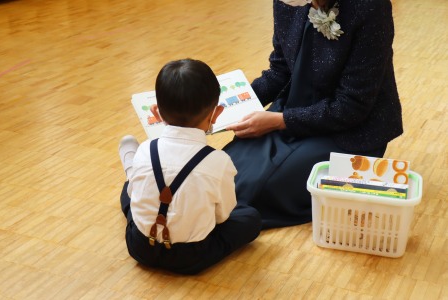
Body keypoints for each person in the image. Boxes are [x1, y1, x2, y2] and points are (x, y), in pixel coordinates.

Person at [223, 0, 403, 229]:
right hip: (294, 108)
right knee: (229, 168)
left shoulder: (370, 7)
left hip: (352, 129)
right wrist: (230, 105)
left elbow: (352, 106)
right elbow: (280, 71)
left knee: (264, 186)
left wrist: (279, 122)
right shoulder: (287, 3)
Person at [118, 59, 261, 275]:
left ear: (156, 113)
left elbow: (134, 194)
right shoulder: (219, 161)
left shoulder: (146, 149)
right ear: (217, 113)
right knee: (250, 217)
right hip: (191, 257)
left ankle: (130, 166)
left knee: (129, 191)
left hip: (139, 247)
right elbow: (222, 217)